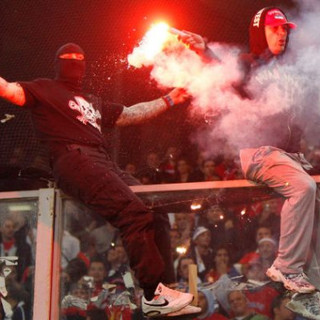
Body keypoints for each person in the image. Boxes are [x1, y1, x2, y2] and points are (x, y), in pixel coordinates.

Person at [0, 42, 199, 317]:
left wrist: (171, 99)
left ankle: (167, 288)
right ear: (57, 64)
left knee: (154, 206)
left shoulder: (92, 101)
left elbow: (131, 113)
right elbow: (10, 90)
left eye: (80, 59)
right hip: (74, 159)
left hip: (101, 160)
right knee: (134, 213)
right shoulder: (44, 88)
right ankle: (153, 294)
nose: (75, 62)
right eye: (69, 59)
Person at [179, 7, 318, 293]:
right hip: (259, 153)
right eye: (275, 29)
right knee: (303, 188)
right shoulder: (249, 63)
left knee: (313, 194)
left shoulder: (286, 68)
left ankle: (308, 275)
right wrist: (204, 51)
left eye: (285, 30)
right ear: (259, 31)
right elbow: (223, 69)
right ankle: (286, 267)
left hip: (286, 156)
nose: (282, 34)